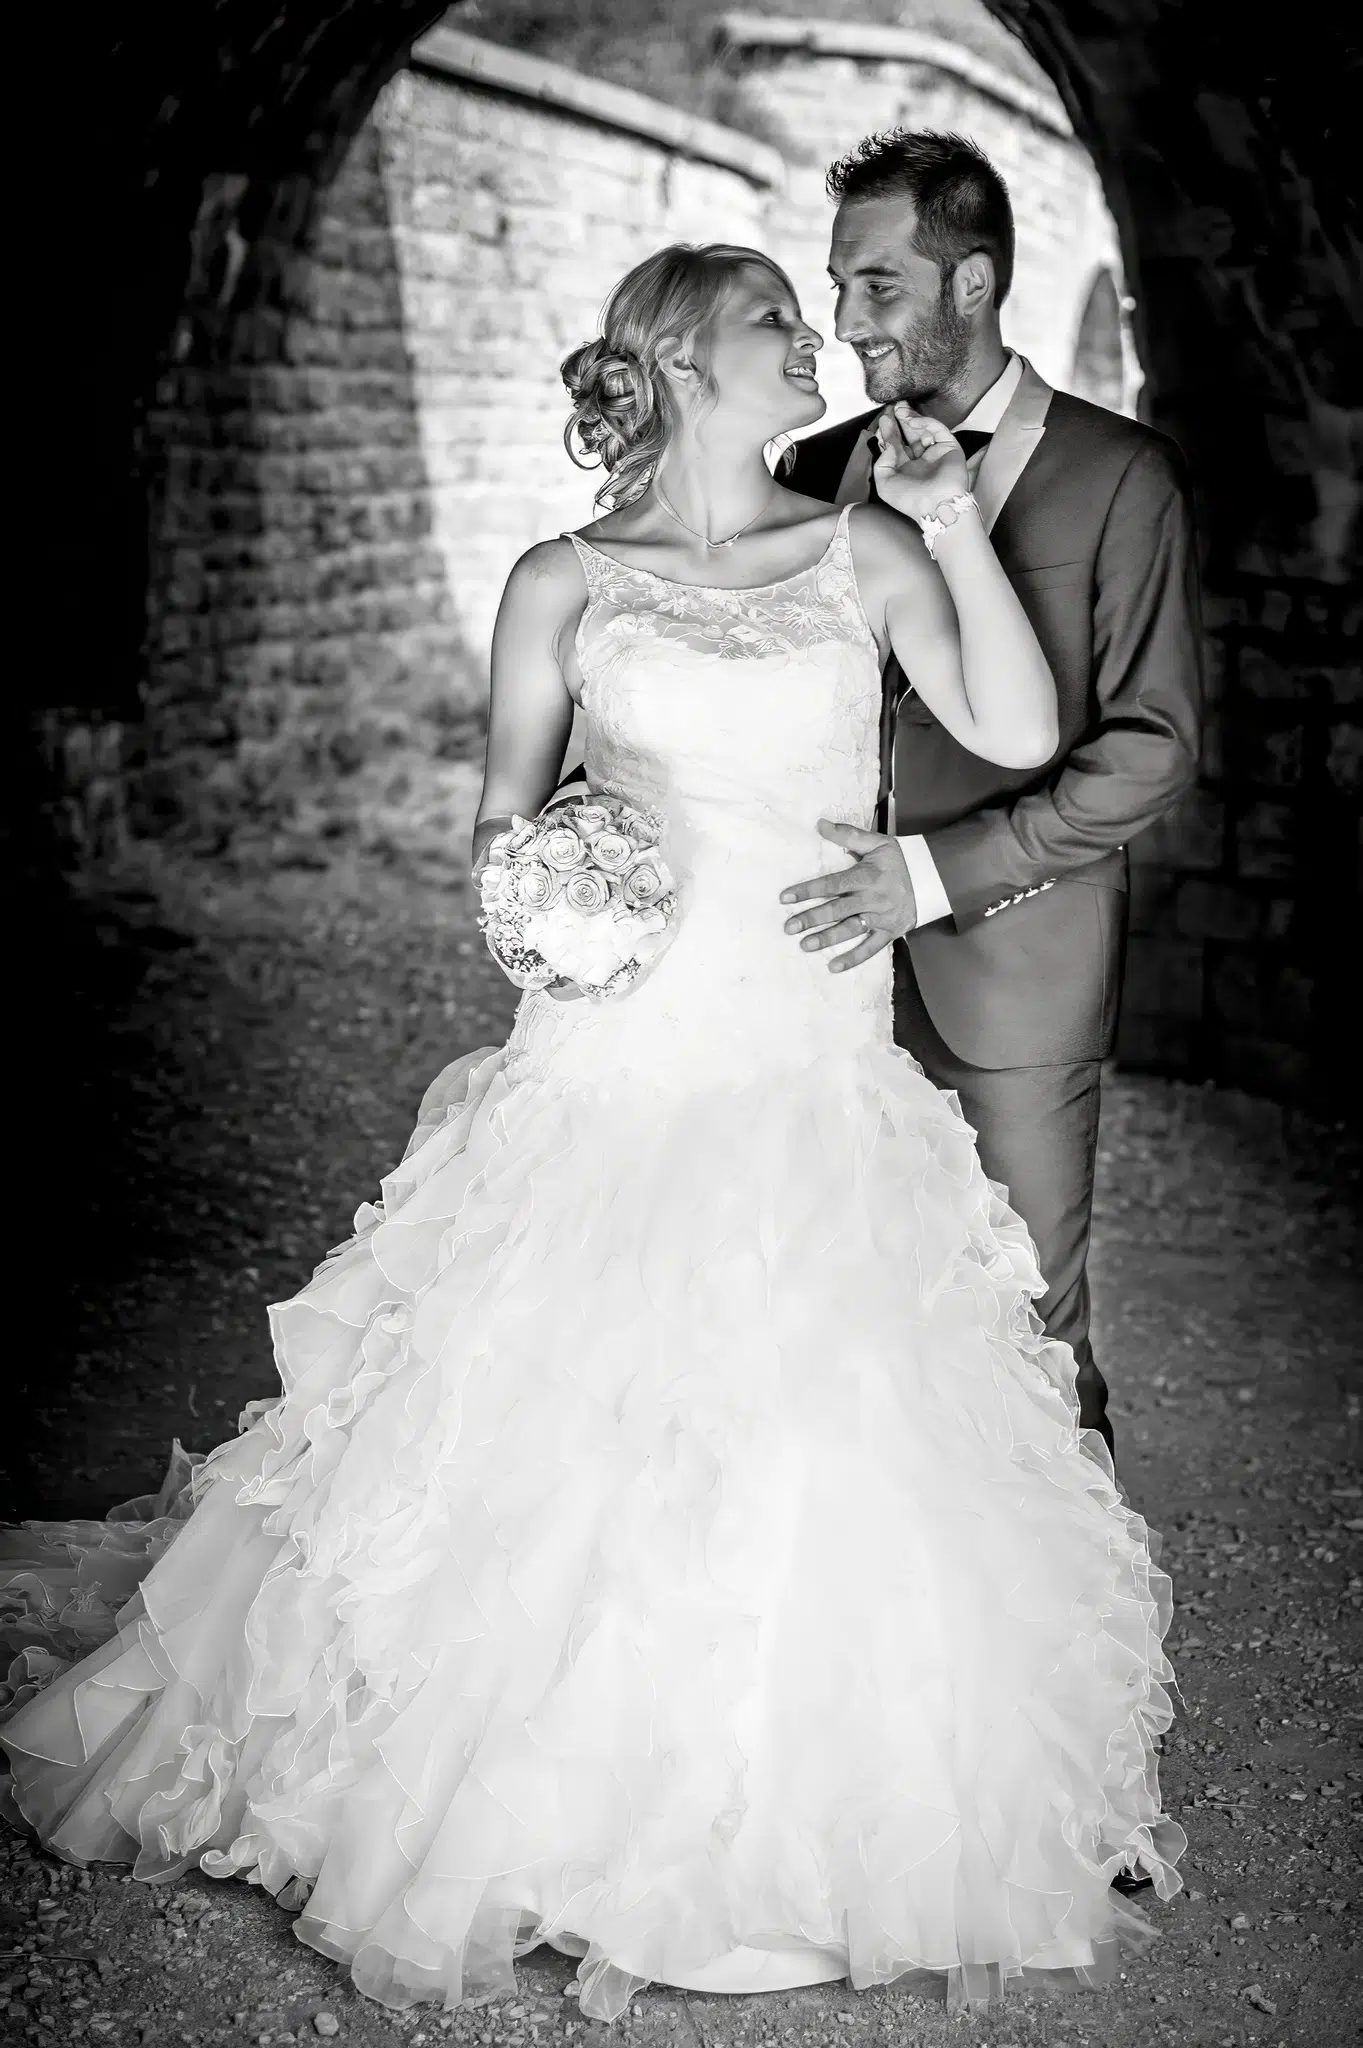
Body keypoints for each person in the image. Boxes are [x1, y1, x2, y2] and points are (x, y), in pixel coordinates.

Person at [0, 243, 1183, 2029]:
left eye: (812, 316)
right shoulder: (562, 581)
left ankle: (804, 1817)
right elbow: (500, 819)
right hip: (613, 1056)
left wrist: (946, 522)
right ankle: (521, 1801)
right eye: (778, 322)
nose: (815, 344)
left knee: (821, 1401)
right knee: (542, 1404)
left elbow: (1021, 728)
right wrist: (558, 898)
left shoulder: (862, 545)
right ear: (684, 362)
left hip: (803, 1057)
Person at [779, 133, 1204, 1463]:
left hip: (1012, 965)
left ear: (970, 283)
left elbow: (1148, 749)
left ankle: (1074, 1653)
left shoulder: (1120, 476)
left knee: (1026, 1329)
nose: (844, 321)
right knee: (812, 1304)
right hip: (799, 972)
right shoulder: (805, 470)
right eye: (838, 285)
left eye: (877, 287)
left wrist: (930, 872)